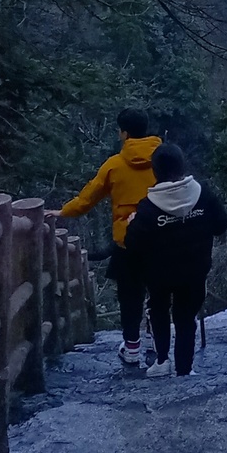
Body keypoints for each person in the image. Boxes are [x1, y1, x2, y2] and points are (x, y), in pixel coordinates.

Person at [59, 108, 162, 368]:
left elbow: (86, 200)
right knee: (159, 293)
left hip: (128, 243)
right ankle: (156, 342)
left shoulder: (114, 165)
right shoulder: (164, 159)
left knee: (130, 297)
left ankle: (132, 348)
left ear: (124, 133)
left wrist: (61, 212)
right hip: (162, 237)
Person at [123, 143, 227, 378]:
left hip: (158, 274)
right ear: (183, 165)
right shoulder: (203, 194)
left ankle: (162, 361)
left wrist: (132, 222)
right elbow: (222, 223)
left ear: (155, 171)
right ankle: (185, 368)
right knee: (185, 318)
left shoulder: (148, 207)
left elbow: (132, 244)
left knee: (159, 310)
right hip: (195, 269)